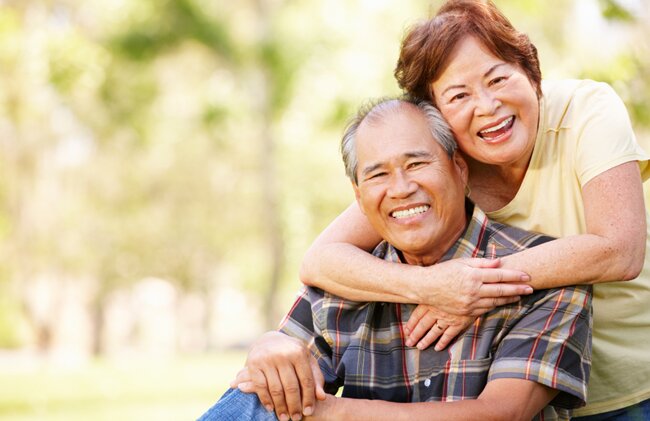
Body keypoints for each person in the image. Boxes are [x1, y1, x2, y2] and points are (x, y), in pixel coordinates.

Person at [298, 1, 650, 419]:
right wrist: (428, 286)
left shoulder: (587, 110)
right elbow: (322, 260)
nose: (486, 106)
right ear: (434, 115)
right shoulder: (443, 165)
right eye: (458, 95)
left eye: (498, 78)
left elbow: (620, 250)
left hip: (632, 381)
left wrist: (469, 289)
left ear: (530, 72)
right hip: (526, 379)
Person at [199, 97, 592, 421]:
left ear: (459, 170)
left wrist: (336, 413)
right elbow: (278, 387)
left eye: (417, 164)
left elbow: (503, 415)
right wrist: (271, 350)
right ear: (358, 196)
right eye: (378, 175)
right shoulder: (348, 279)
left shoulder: (542, 272)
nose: (401, 188)